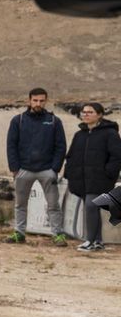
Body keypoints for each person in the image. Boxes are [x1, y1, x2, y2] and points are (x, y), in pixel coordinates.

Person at [5, 88, 69, 244]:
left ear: (46, 101)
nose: (38, 103)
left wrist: (55, 169)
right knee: (20, 204)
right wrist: (15, 168)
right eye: (35, 100)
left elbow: (61, 146)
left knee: (53, 204)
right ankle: (19, 233)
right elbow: (11, 145)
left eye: (41, 100)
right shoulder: (18, 120)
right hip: (23, 170)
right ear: (29, 100)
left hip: (47, 170)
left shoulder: (54, 121)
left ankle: (57, 234)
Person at [64, 103, 120, 251]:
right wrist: (69, 173)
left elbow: (116, 156)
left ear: (100, 115)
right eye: (84, 112)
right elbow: (71, 156)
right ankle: (98, 241)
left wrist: (109, 173)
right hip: (82, 179)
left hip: (100, 179)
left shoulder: (110, 133)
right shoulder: (79, 135)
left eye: (90, 112)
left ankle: (88, 240)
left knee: (91, 205)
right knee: (92, 208)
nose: (86, 114)